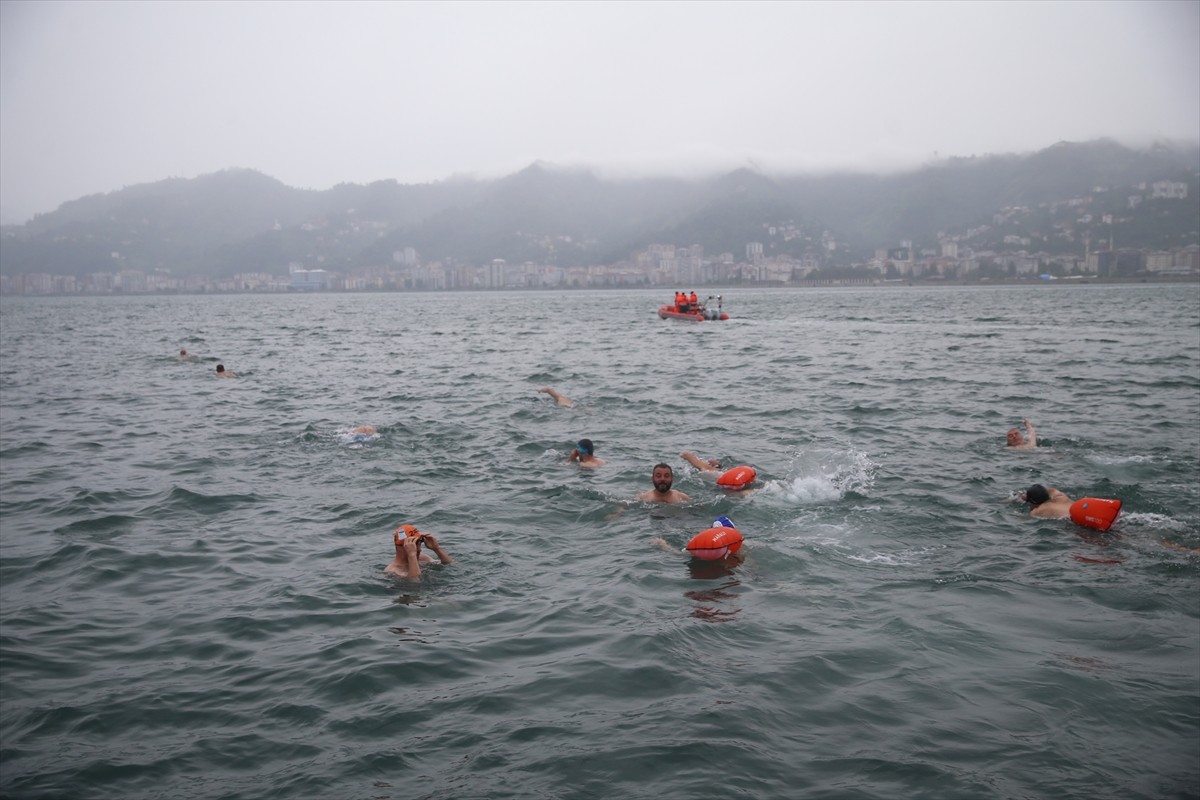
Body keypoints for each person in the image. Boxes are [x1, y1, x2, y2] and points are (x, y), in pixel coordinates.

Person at [385, 524, 453, 579]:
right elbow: (414, 583)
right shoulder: (393, 571)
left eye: (420, 542)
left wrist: (437, 549)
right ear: (402, 547)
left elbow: (451, 565)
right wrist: (412, 555)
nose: (419, 549)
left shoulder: (422, 558)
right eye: (414, 544)